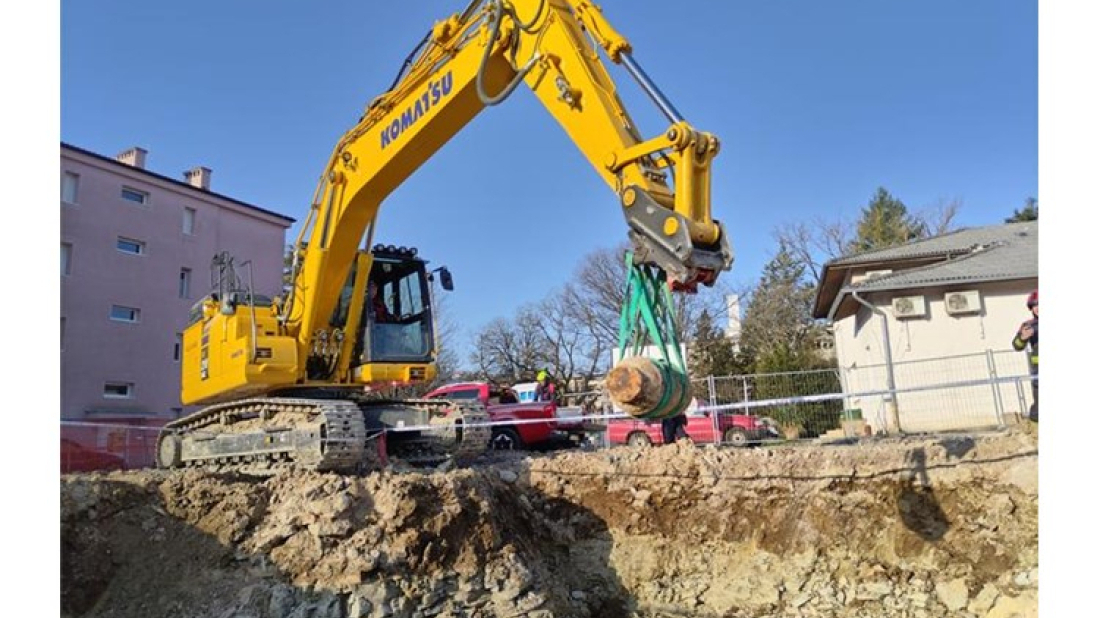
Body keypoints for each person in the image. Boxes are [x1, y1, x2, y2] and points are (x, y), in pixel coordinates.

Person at [1012, 289, 1038, 422]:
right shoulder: (1028, 325)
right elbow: (1016, 345)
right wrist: (1022, 338)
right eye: (1035, 305)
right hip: (1039, 373)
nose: (1038, 308)